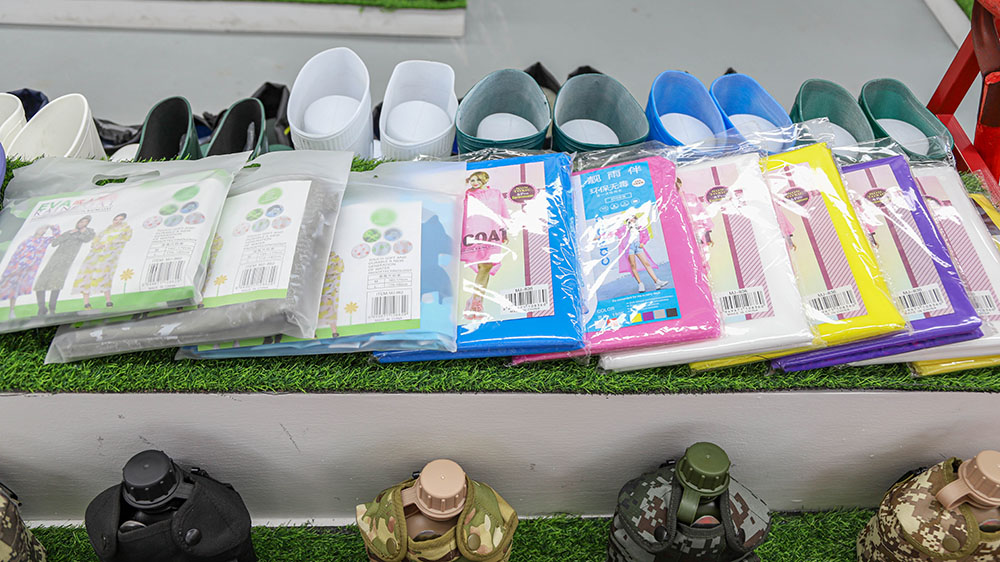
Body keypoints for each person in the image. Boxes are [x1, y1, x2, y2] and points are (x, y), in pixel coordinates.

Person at [460, 171, 510, 317]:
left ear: (485, 180)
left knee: (486, 266)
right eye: (472, 180)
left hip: (493, 232)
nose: (475, 183)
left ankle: (475, 300)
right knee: (484, 266)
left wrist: (504, 232)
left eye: (478, 180)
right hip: (473, 233)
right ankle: (476, 301)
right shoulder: (467, 195)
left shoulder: (495, 193)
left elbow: (503, 212)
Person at [33, 215, 95, 315]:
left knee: (56, 284)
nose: (82, 224)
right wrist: (69, 234)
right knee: (41, 283)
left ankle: (52, 308)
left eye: (85, 222)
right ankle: (42, 308)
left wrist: (82, 232)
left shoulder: (89, 231)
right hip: (54, 259)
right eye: (81, 221)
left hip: (66, 262)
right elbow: (54, 243)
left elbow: (87, 239)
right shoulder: (69, 232)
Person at [73, 213, 132, 309]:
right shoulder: (106, 230)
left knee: (105, 276)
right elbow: (96, 240)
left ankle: (108, 301)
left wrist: (106, 244)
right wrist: (96, 246)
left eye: (121, 219)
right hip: (94, 255)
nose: (118, 221)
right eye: (116, 219)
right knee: (86, 275)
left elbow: (125, 239)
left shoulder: (126, 229)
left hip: (109, 256)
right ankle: (86, 302)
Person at [0, 224, 60, 318]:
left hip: (29, 269)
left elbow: (57, 238)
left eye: (44, 229)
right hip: (17, 267)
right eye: (41, 227)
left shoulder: (44, 240)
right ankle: (11, 310)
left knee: (17, 289)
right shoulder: (27, 240)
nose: (42, 230)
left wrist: (53, 227)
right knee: (8, 287)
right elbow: (16, 254)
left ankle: (12, 311)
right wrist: (13, 267)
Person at [618, 213, 667, 293]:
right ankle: (640, 284)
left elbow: (646, 236)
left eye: (633, 217)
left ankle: (657, 281)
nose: (632, 219)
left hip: (638, 246)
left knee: (646, 263)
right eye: (630, 218)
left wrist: (643, 243)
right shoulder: (625, 228)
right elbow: (613, 233)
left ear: (635, 218)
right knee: (633, 265)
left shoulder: (640, 227)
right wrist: (600, 237)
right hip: (629, 247)